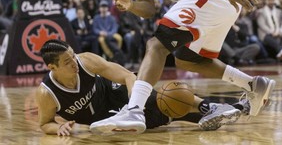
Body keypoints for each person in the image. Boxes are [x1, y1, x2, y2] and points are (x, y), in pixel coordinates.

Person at [90, 0, 276, 134]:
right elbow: (149, 10)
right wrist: (130, 6)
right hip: (215, 3)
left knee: (156, 45)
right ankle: (253, 84)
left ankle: (134, 110)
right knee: (188, 60)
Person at [36, 39, 249, 136]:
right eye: (67, 62)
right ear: (51, 67)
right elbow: (45, 124)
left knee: (155, 98)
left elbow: (128, 76)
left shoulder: (86, 61)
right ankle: (228, 110)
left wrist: (135, 104)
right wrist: (59, 128)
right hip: (103, 118)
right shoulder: (47, 93)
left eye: (72, 55)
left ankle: (208, 107)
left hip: (115, 91)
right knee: (168, 112)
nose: (74, 62)